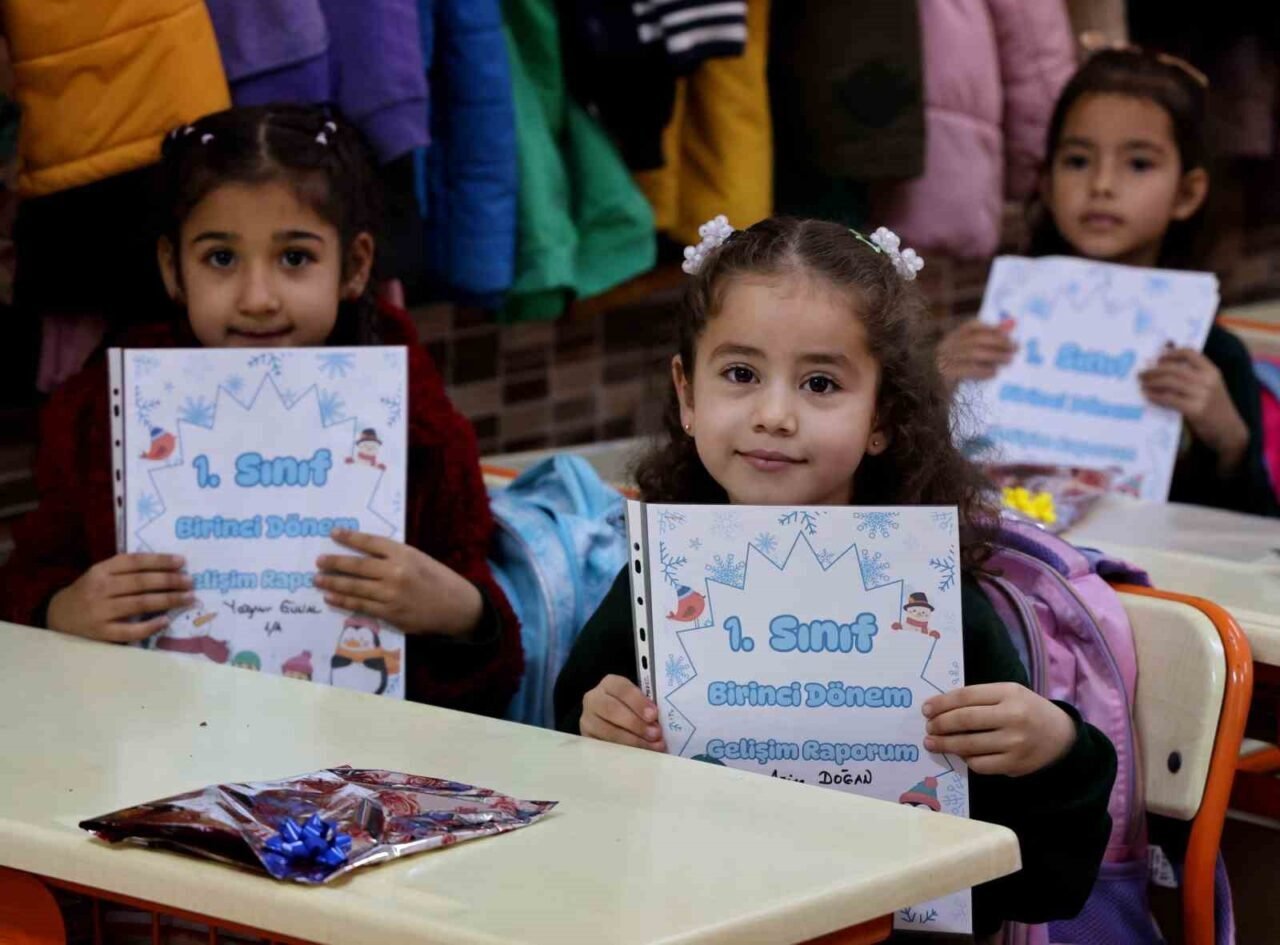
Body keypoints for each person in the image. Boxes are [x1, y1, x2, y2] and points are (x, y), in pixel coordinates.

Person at [553, 215, 1116, 937]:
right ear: (687, 394)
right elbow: (576, 801)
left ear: (882, 415)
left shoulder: (933, 600)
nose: (774, 414)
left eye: (820, 383)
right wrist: (597, 732)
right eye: (740, 374)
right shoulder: (657, 581)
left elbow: (1046, 885)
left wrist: (1054, 750)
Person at [0, 105, 522, 716]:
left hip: (364, 748)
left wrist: (460, 612)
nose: (257, 298)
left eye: (294, 258)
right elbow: (27, 581)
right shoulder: (104, 411)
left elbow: (497, 665)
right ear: (174, 268)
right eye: (221, 258)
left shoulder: (413, 418)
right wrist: (61, 611)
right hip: (150, 738)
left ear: (355, 266)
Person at [937, 47, 1278, 516]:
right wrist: (935, 389)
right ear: (1047, 182)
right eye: (1078, 161)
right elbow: (915, 485)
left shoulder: (1213, 359)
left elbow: (1254, 535)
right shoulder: (994, 338)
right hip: (1011, 549)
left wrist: (1230, 442)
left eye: (1138, 164)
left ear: (1187, 193)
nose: (1101, 185)